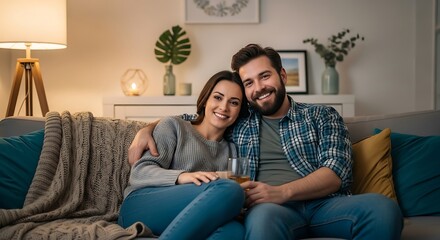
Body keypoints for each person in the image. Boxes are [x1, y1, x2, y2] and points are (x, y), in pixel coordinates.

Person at [128, 44, 404, 239]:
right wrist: (148, 128)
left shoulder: (321, 115)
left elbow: (337, 173)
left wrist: (283, 192)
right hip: (271, 210)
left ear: (282, 76)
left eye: (264, 76)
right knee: (260, 220)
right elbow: (203, 116)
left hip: (325, 204)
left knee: (383, 209)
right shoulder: (240, 119)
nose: (258, 87)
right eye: (249, 83)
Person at [118, 70, 249, 240]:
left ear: (239, 110)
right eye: (218, 97)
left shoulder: (232, 150)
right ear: (205, 99)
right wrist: (181, 176)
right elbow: (139, 172)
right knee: (231, 188)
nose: (224, 107)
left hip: (183, 215)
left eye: (234, 102)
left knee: (234, 232)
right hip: (140, 205)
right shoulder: (174, 126)